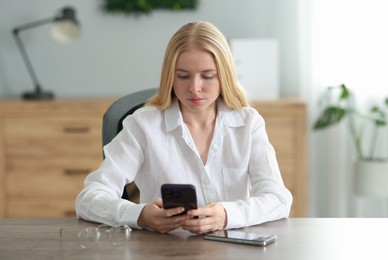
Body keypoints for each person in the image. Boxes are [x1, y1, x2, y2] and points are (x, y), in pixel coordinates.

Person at [75, 21, 292, 234]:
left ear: (224, 75)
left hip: (231, 250)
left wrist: (227, 215)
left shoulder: (248, 123)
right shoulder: (143, 125)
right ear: (170, 76)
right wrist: (140, 215)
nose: (195, 88)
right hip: (163, 251)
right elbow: (89, 199)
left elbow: (278, 199)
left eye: (208, 76)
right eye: (183, 76)